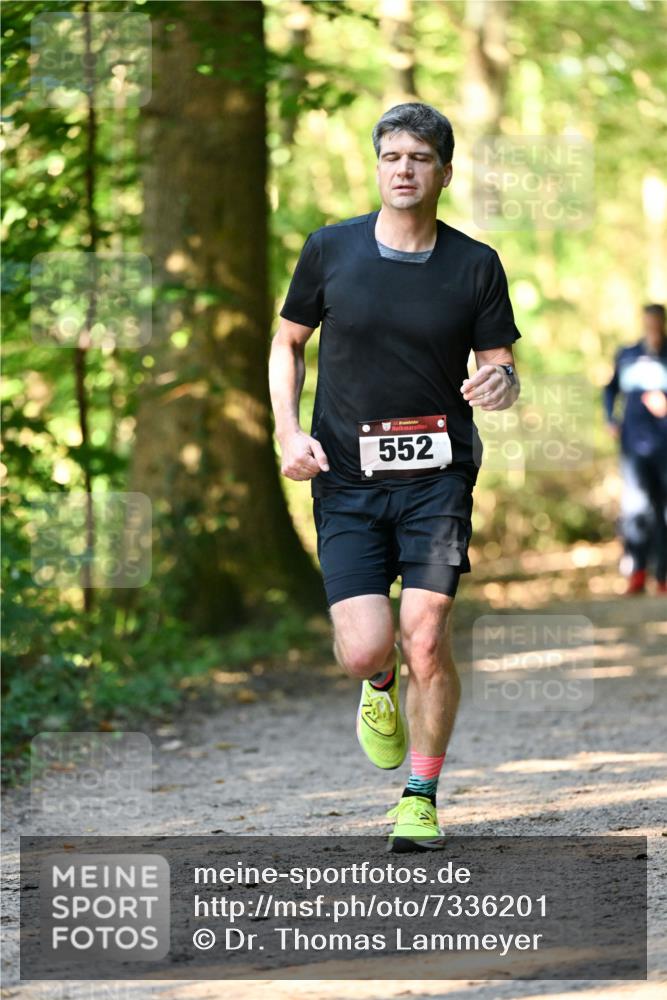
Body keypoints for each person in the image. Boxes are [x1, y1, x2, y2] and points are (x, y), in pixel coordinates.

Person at [268, 102, 521, 852]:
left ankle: (419, 796)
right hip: (345, 477)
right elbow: (287, 344)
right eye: (391, 157)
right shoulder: (330, 249)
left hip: (437, 478)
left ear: (445, 172)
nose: (403, 169)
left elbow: (501, 367)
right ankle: (378, 684)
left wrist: (500, 384)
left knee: (426, 636)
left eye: (419, 157)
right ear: (377, 167)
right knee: (365, 650)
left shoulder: (474, 264)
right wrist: (287, 431)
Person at [604, 303, 667, 595]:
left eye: (656, 324)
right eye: (647, 323)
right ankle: (637, 571)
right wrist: (610, 419)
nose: (651, 328)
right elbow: (610, 389)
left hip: (664, 446)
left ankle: (662, 574)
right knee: (635, 507)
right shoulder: (627, 354)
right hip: (633, 447)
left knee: (663, 509)